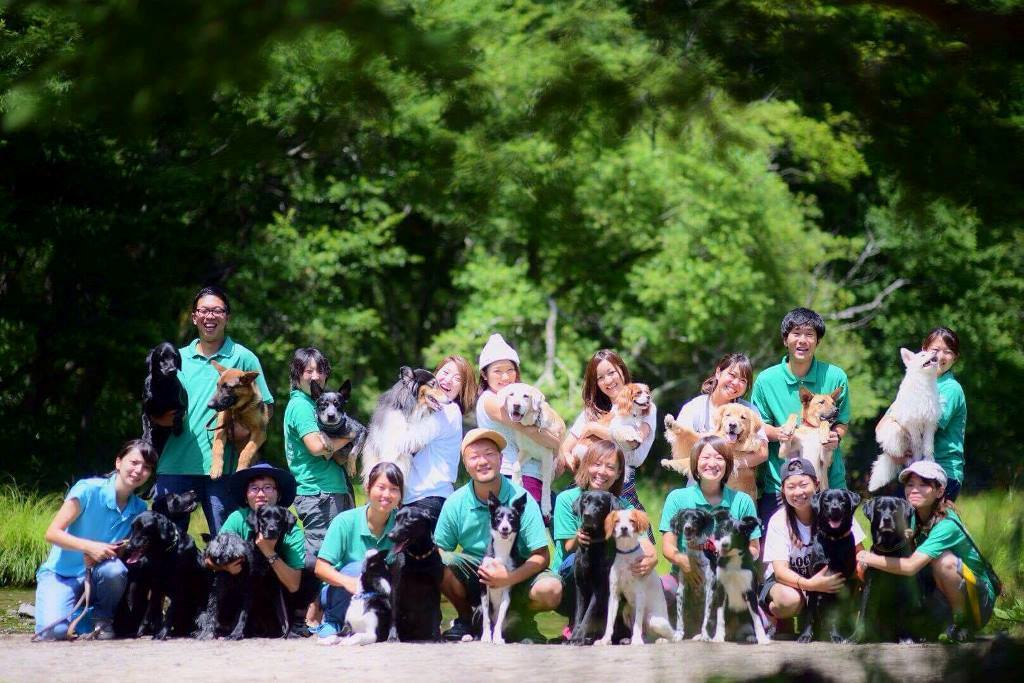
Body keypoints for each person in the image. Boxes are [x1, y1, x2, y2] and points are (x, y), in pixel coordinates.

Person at [150, 286, 274, 534]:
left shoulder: (243, 357)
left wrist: (243, 431)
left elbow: (266, 407)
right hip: (174, 465)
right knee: (165, 546)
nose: (210, 316)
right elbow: (152, 400)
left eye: (217, 310)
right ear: (194, 316)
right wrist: (157, 418)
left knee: (228, 544)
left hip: (222, 472)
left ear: (227, 317)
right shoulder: (174, 357)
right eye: (204, 311)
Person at [435, 428, 561, 643]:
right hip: (476, 572)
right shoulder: (455, 501)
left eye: (489, 454)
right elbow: (439, 548)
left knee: (551, 589)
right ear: (465, 464)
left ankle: (521, 619)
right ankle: (467, 617)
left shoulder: (521, 498)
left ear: (501, 459)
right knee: (439, 561)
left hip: (517, 569)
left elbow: (541, 555)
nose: (482, 461)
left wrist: (508, 578)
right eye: (474, 457)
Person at [857, 461, 998, 642]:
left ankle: (961, 624)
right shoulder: (913, 515)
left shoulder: (947, 524)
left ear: (939, 491)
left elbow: (909, 567)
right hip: (941, 594)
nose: (914, 490)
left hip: (978, 601)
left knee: (944, 561)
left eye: (924, 484)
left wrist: (867, 557)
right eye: (910, 485)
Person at [34, 440, 157, 640]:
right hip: (61, 574)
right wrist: (90, 548)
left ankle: (102, 619)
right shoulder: (87, 490)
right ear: (118, 462)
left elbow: (125, 551)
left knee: (115, 569)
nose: (139, 470)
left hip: (100, 575)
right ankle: (73, 615)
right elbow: (52, 533)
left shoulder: (140, 508)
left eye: (146, 467)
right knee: (51, 632)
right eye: (134, 462)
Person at [750, 307, 850, 530]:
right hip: (780, 485)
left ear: (818, 341)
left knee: (837, 553)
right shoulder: (766, 380)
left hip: (828, 484)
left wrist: (836, 436)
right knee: (776, 558)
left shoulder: (835, 376)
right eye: (796, 333)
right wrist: (781, 433)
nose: (802, 340)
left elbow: (842, 421)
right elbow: (757, 426)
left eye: (810, 335)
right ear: (785, 339)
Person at [551, 438, 656, 637]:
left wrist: (651, 559)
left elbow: (645, 543)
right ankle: (577, 623)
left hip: (607, 574)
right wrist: (579, 537)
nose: (601, 472)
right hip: (571, 574)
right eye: (596, 464)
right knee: (582, 560)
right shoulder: (568, 499)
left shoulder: (622, 506)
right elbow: (567, 548)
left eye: (610, 467)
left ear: (618, 474)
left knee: (619, 565)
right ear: (586, 465)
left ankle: (613, 627)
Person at [660, 434, 762, 620]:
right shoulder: (677, 498)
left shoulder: (742, 501)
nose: (712, 463)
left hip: (729, 577)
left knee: (753, 623)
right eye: (705, 457)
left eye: (719, 458)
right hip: (687, 575)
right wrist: (684, 562)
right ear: (695, 463)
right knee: (663, 588)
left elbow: (754, 548)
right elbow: (668, 547)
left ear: (728, 465)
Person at [760, 458, 865, 632]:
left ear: (816, 485)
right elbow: (780, 572)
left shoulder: (838, 512)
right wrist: (813, 586)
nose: (798, 492)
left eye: (803, 484)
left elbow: (859, 555)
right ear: (783, 490)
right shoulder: (779, 521)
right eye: (791, 487)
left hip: (826, 582)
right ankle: (771, 617)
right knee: (789, 600)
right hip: (788, 584)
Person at [558, 349, 657, 520]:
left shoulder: (644, 404)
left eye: (611, 373)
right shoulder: (591, 412)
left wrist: (594, 429)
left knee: (631, 540)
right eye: (600, 378)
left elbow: (633, 442)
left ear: (621, 370)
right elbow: (565, 449)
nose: (608, 381)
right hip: (589, 482)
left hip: (621, 482)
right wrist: (577, 465)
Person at [314, 462, 404, 645]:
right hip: (342, 593)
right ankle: (334, 621)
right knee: (361, 568)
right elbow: (320, 568)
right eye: (381, 487)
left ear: (401, 495)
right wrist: (350, 582)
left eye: (394, 489)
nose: (387, 495)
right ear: (367, 488)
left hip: (379, 600)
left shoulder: (402, 526)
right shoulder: (345, 521)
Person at [283, 347, 354, 570]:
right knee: (322, 560)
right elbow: (316, 447)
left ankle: (329, 604)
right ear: (297, 374)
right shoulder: (301, 406)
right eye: (309, 370)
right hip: (319, 494)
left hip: (329, 490)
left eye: (321, 370)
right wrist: (351, 435)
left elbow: (337, 458)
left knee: (339, 556)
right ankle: (310, 605)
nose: (316, 376)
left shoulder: (317, 403)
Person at [876, 327, 967, 501]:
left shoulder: (951, 389)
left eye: (948, 352)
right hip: (914, 470)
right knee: (906, 526)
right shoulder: (912, 386)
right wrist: (896, 450)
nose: (940, 357)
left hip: (942, 472)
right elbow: (881, 426)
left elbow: (930, 423)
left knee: (933, 526)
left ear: (955, 357)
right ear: (923, 351)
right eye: (935, 350)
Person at [475, 334, 562, 507]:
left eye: (510, 370)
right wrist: (558, 447)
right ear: (485, 374)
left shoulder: (516, 397)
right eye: (497, 371)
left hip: (528, 472)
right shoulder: (491, 400)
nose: (505, 377)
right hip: (511, 473)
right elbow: (530, 430)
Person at [673, 353, 768, 489]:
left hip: (737, 493)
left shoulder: (749, 410)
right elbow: (680, 450)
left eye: (743, 380)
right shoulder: (693, 407)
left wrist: (731, 464)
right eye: (732, 375)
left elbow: (762, 453)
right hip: (699, 491)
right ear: (718, 372)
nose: (735, 383)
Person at [401, 355, 475, 523]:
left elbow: (408, 445)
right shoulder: (429, 408)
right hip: (419, 498)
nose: (448, 380)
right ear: (435, 374)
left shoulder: (447, 409)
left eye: (458, 379)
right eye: (446, 372)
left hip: (427, 500)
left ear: (462, 389)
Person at [214, 464, 305, 597]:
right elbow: (209, 560)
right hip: (240, 588)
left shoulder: (291, 527)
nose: (260, 494)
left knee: (310, 565)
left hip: (275, 591)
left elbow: (293, 585)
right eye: (254, 488)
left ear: (278, 495)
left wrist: (268, 551)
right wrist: (225, 567)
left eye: (267, 487)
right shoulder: (238, 518)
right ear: (246, 496)